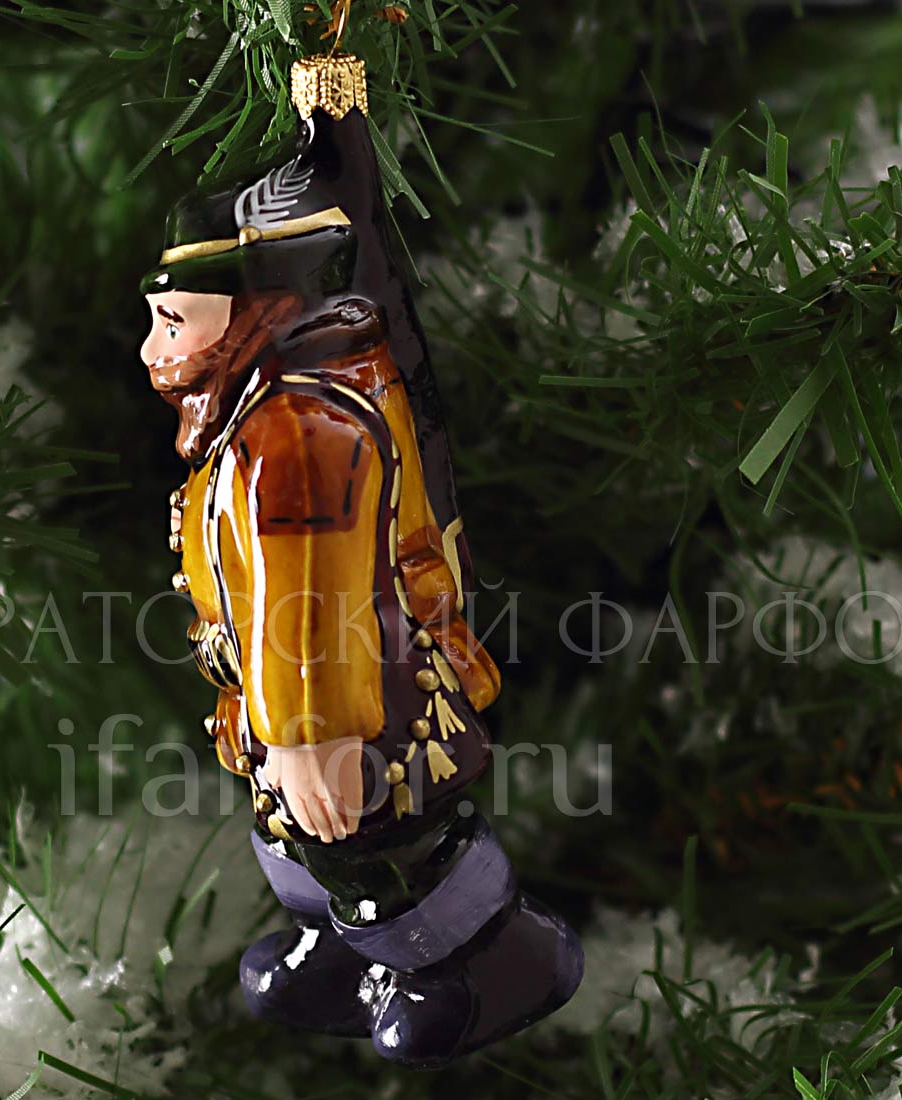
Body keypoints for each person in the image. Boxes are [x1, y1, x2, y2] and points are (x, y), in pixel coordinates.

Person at [137, 54, 582, 1068]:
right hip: (277, 701)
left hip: (353, 697)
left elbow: (311, 599)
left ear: (251, 318)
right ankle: (337, 947)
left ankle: (489, 958)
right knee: (299, 832)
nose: (152, 349)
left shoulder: (296, 436)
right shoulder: (247, 413)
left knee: (380, 836)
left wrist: (311, 732)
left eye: (172, 323)